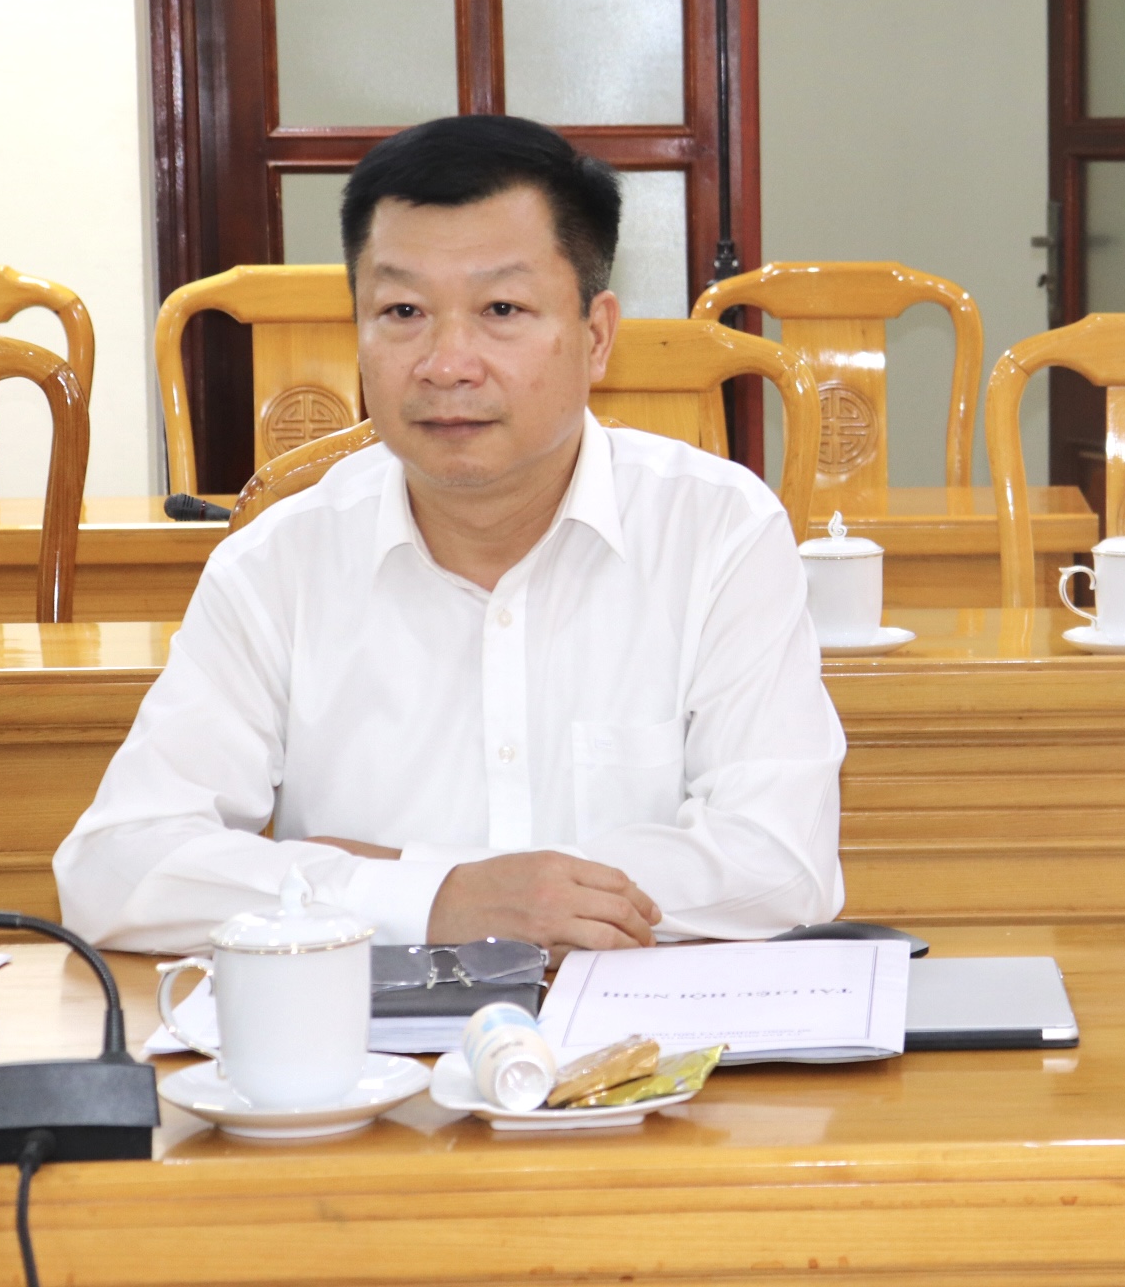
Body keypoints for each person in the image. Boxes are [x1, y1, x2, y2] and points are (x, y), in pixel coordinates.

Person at [55, 115, 845, 955]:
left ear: (596, 336)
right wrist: (437, 900)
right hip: (367, 1040)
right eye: (402, 310)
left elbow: (781, 865)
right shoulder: (277, 563)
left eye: (502, 309)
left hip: (644, 1029)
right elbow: (114, 871)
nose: (446, 363)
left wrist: (396, 878)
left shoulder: (718, 533)